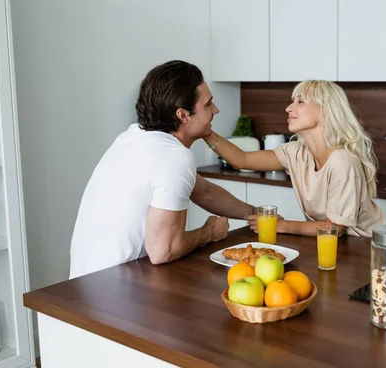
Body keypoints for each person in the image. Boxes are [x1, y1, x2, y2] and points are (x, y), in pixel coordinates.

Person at [69, 60, 257, 278]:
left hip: (82, 284)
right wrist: (209, 233)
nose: (215, 110)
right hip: (113, 291)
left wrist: (257, 214)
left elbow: (203, 191)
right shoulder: (174, 157)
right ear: (183, 115)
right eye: (208, 104)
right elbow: (163, 251)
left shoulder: (134, 137)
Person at [204, 80, 385, 237]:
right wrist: (206, 132)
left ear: (325, 111)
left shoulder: (342, 161)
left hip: (363, 246)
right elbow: (242, 160)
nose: (289, 108)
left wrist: (281, 225)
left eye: (300, 101)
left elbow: (336, 228)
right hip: (331, 245)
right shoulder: (297, 152)